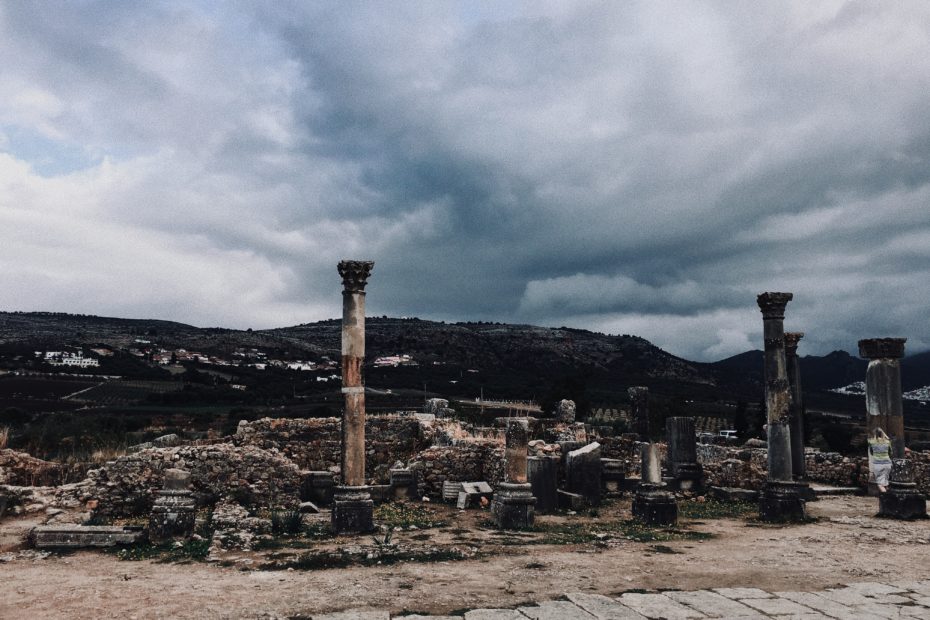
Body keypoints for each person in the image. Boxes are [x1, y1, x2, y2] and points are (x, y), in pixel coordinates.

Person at [867, 428, 893, 493]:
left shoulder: (871, 442)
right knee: (885, 482)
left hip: (878, 464)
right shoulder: (887, 442)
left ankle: (886, 497)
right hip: (887, 464)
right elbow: (891, 453)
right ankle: (888, 497)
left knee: (880, 484)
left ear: (874, 434)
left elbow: (871, 452)